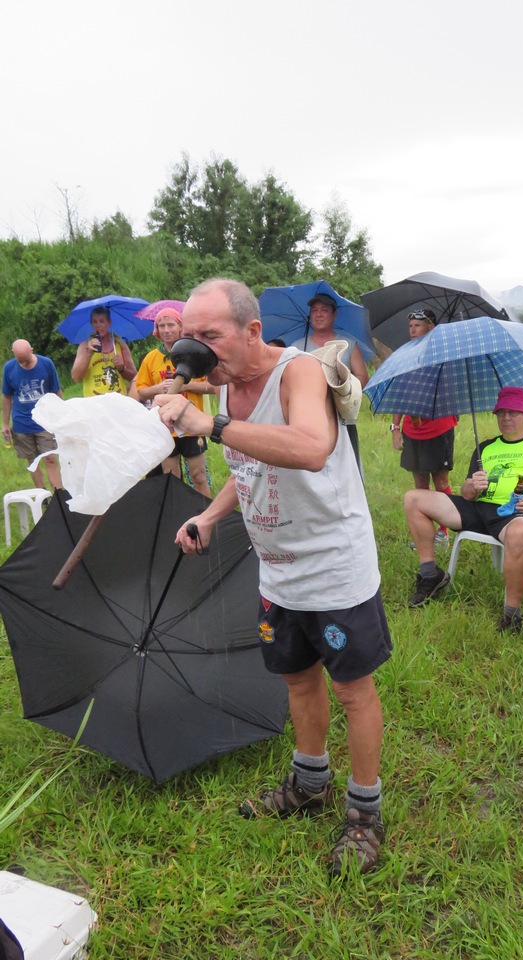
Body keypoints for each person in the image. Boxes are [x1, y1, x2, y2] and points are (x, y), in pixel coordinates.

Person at [155, 278, 392, 876]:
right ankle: (310, 783)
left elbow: (310, 447)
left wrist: (210, 427)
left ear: (252, 331)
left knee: (352, 690)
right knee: (297, 679)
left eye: (210, 335)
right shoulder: (225, 386)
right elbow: (249, 466)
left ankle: (365, 814)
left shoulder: (299, 373)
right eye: (188, 336)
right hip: (277, 570)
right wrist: (209, 516)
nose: (194, 348)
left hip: (333, 567)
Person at [404, 386, 523, 632]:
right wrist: (472, 486)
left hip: (517, 513)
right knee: (413, 498)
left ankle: (512, 615)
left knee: (518, 532)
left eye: (513, 412)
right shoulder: (485, 447)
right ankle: (431, 575)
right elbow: (466, 493)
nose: (506, 418)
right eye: (501, 413)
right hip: (477, 509)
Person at [391, 310, 458, 546]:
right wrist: (395, 427)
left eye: (418, 325)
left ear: (431, 327)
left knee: (440, 483)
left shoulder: (443, 356)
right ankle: (425, 532)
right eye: (410, 325)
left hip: (438, 429)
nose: (412, 329)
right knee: (420, 485)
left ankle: (444, 531)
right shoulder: (404, 356)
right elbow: (399, 394)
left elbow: (449, 392)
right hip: (412, 431)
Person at [134, 307, 212, 496]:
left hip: (192, 424)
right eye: (162, 326)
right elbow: (141, 391)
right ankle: (177, 512)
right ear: (157, 330)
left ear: (180, 327)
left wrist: (185, 386)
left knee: (198, 475)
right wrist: (159, 389)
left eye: (171, 325)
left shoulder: (194, 353)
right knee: (171, 477)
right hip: (165, 427)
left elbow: (211, 386)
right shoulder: (151, 358)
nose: (166, 330)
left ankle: (206, 512)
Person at [291, 293, 368, 471]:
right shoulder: (296, 347)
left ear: (334, 315)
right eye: (314, 310)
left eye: (324, 310)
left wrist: (343, 386)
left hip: (342, 418)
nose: (318, 314)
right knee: (311, 466)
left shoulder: (348, 344)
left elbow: (362, 377)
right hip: (307, 418)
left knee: (347, 468)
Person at [2, 339, 63, 489]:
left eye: (26, 359)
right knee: (32, 461)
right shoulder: (9, 368)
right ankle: (42, 496)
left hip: (45, 421)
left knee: (50, 458)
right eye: (20, 360)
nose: (23, 364)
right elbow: (7, 396)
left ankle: (59, 496)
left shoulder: (46, 364)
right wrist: (5, 424)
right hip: (22, 423)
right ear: (13, 354)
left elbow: (56, 390)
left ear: (32, 350)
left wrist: (62, 415)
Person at [71, 306, 136, 396]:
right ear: (91, 324)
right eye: (95, 322)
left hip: (118, 400)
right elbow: (76, 377)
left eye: (102, 321)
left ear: (109, 322)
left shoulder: (120, 345)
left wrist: (122, 369)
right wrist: (89, 354)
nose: (98, 325)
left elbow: (134, 377)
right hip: (94, 401)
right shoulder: (84, 346)